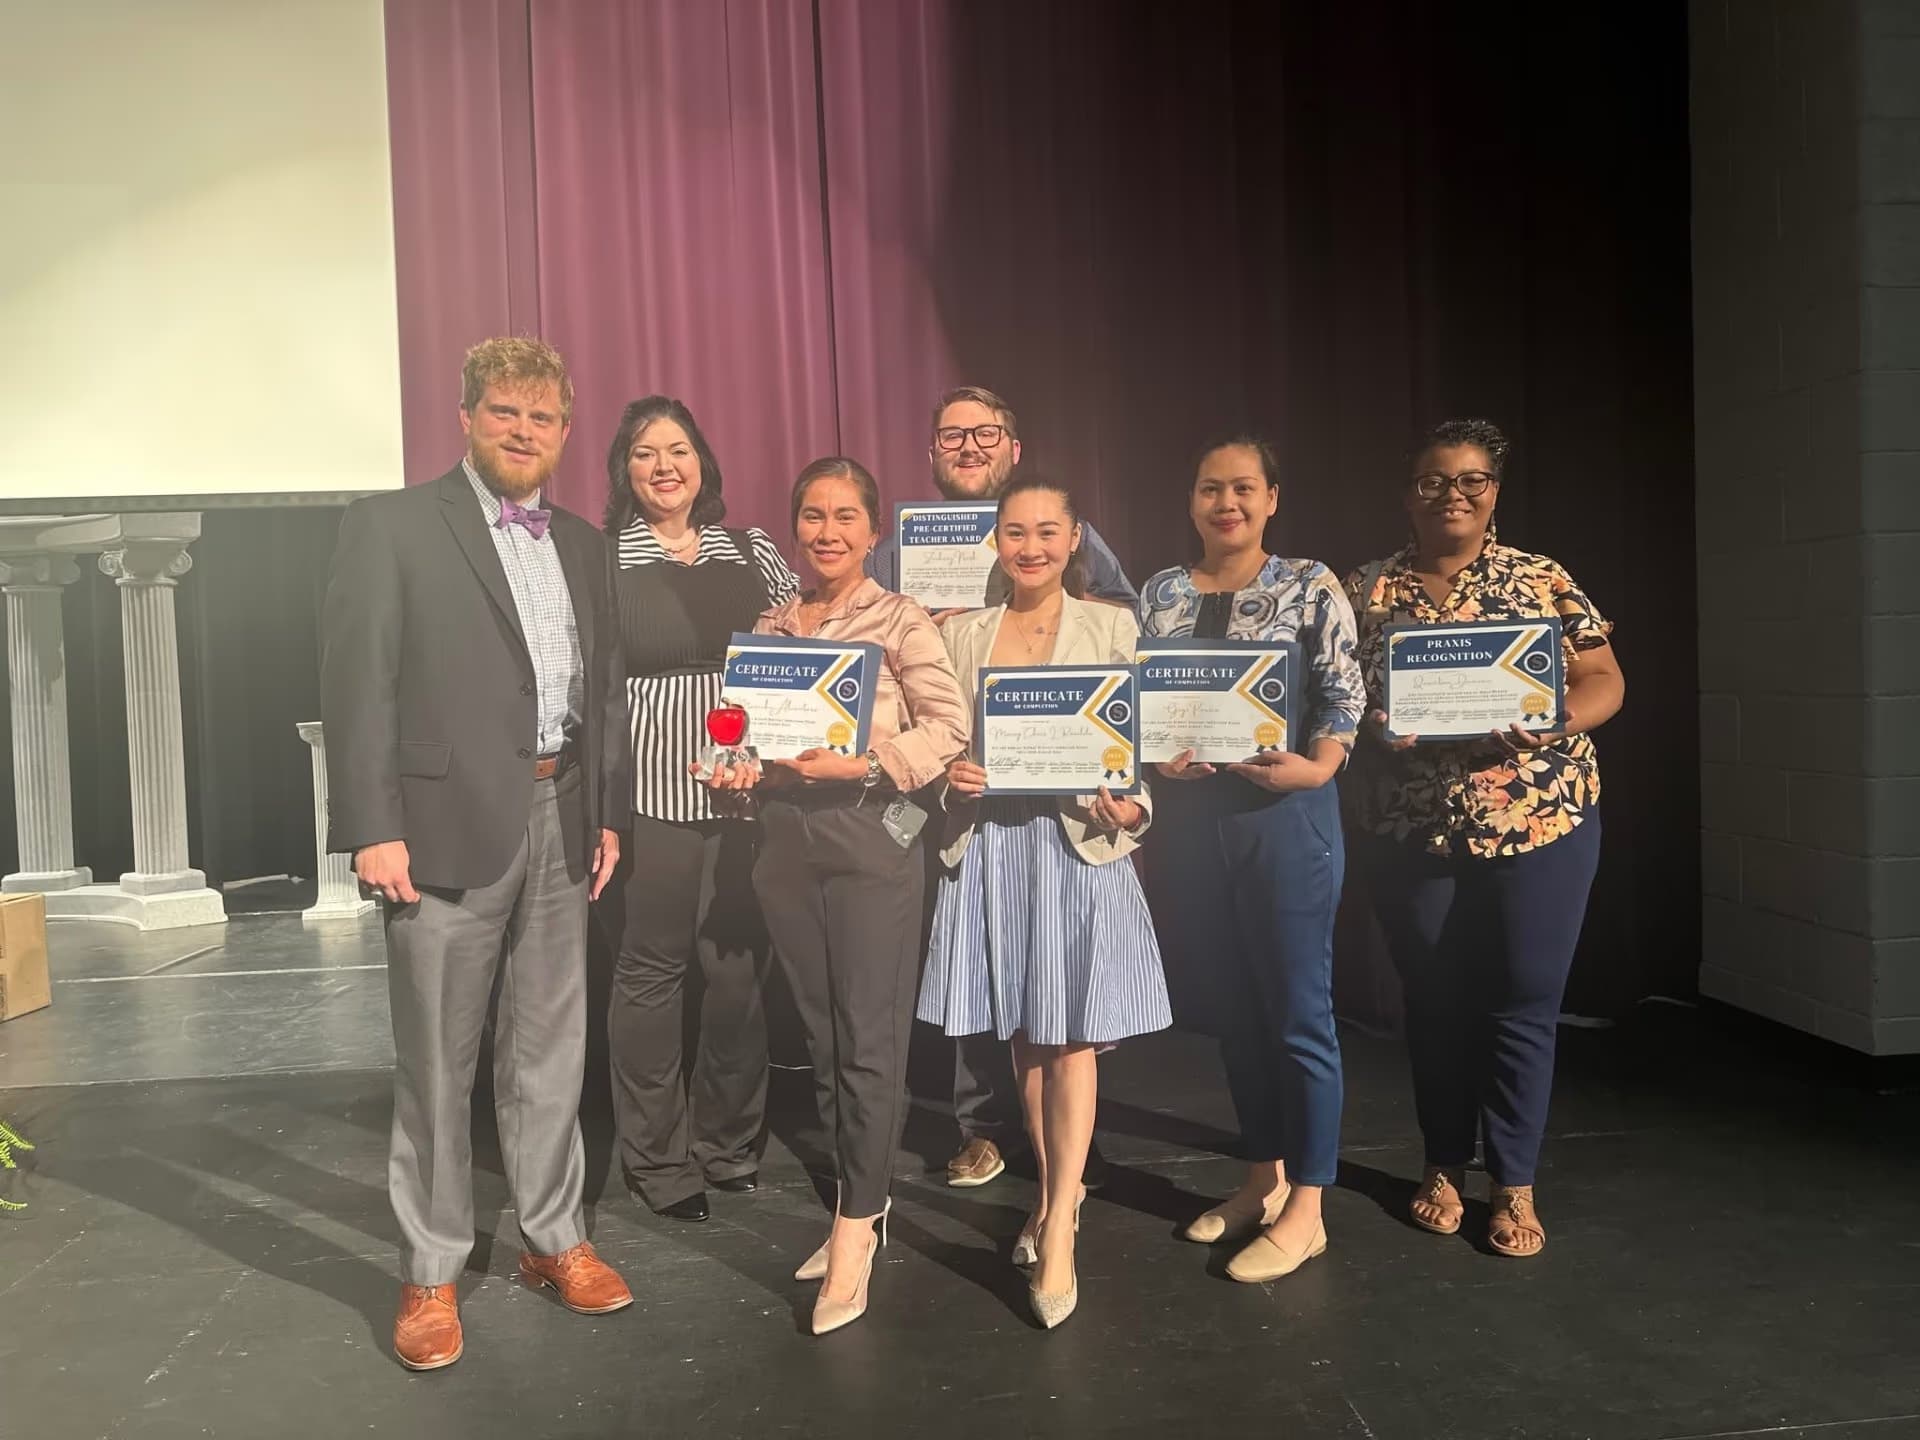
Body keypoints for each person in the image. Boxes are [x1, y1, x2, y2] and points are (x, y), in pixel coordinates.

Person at [321, 337, 633, 1372]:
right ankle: (429, 1270)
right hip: (439, 830)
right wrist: (371, 824)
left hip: (558, 814)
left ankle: (553, 1240)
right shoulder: (393, 526)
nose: (523, 431)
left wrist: (606, 812)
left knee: (551, 1051)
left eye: (543, 419)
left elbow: (603, 688)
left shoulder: (585, 543)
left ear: (563, 434)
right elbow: (358, 683)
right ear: (465, 415)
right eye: (504, 411)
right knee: (437, 1065)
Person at [1345, 418, 1624, 1258]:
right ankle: (1441, 1165)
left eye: (1471, 480)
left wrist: (1554, 723)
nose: (1453, 495)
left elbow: (1605, 678)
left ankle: (1513, 1182)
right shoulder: (1365, 590)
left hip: (1540, 820)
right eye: (1434, 480)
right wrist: (1374, 727)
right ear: (1408, 493)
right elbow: (1334, 699)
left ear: (1495, 491)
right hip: (1411, 828)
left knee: (1524, 1002)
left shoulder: (1541, 580)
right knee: (1433, 1003)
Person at [702, 457, 968, 1336]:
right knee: (820, 1036)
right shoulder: (770, 626)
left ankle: (858, 1226)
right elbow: (751, 738)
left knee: (869, 1037)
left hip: (870, 836)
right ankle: (861, 1201)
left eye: (846, 516)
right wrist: (734, 771)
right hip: (783, 840)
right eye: (813, 516)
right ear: (794, 527)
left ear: (874, 527)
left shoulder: (902, 620)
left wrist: (867, 762)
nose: (827, 532)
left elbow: (949, 727)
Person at [918, 473, 1169, 1329]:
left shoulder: (1116, 626)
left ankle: (1060, 1216)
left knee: (1074, 1037)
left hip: (1078, 847)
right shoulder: (962, 637)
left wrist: (1134, 805)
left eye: (1047, 532)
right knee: (1028, 1032)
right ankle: (1053, 1196)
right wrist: (954, 781)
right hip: (994, 846)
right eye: (1015, 532)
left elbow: (1141, 747)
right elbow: (941, 749)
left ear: (1073, 541)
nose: (1030, 547)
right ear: (996, 542)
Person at [871, 385, 1134, 1192]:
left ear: (1013, 447)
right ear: (932, 452)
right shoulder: (898, 551)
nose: (969, 446)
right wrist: (925, 624)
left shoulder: (1060, 537)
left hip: (1055, 797)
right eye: (952, 435)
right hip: (947, 787)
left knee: (1048, 990)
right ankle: (979, 1125)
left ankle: (1055, 1156)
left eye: (986, 433)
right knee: (967, 964)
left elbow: (1120, 626)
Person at [1139, 435, 1366, 1284]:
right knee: (1234, 1011)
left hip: (1285, 814)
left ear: (1272, 497)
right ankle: (1261, 1179)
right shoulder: (1162, 592)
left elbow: (1344, 690)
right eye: (1208, 489)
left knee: (1299, 1015)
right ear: (1191, 501)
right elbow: (1142, 695)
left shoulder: (1309, 583)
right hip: (1195, 824)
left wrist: (1322, 764)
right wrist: (1154, 752)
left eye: (1242, 488)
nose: (1224, 503)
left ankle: (1308, 1206)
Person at [599, 395, 799, 1224]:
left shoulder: (752, 551)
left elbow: (804, 642)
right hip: (651, 788)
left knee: (737, 973)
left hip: (747, 786)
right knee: (653, 969)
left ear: (702, 463)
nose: (664, 466)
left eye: (677, 449)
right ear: (625, 470)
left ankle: (728, 1145)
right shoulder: (603, 559)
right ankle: (657, 1155)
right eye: (645, 453)